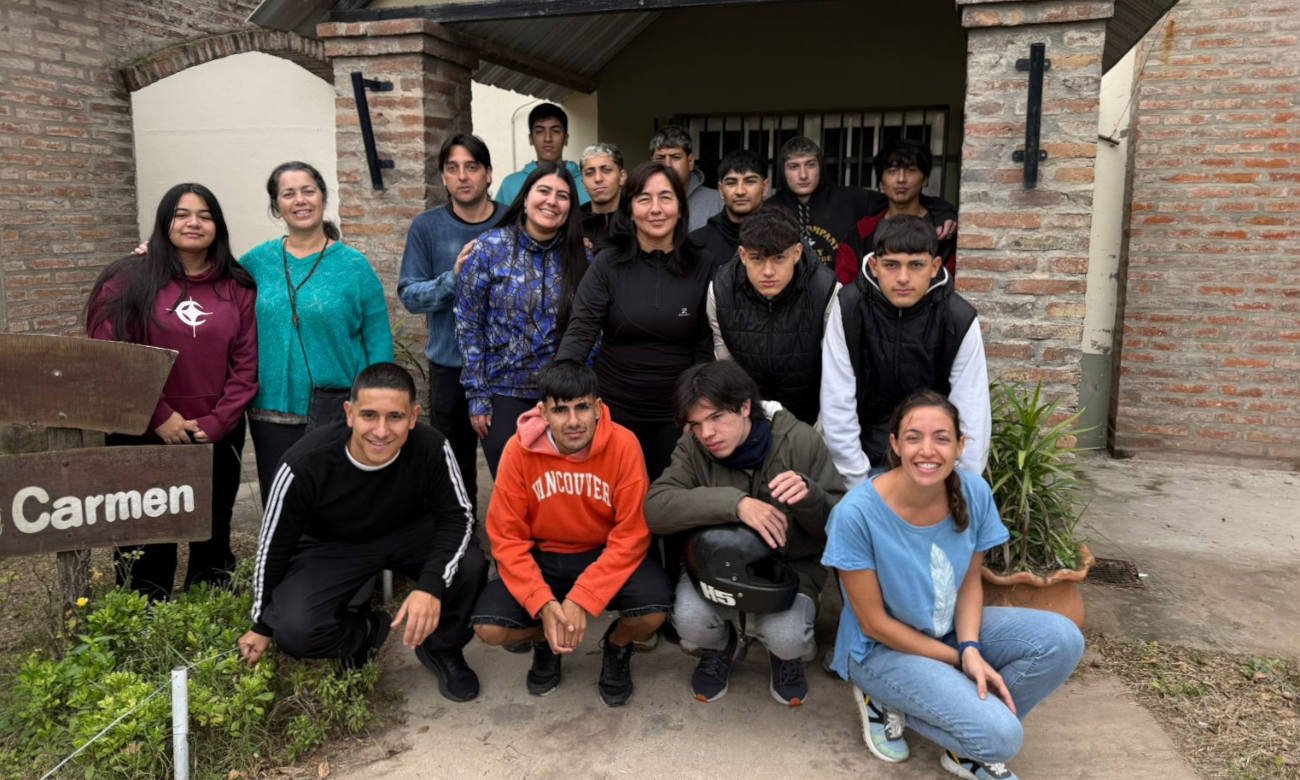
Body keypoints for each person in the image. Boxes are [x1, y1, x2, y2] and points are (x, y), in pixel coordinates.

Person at [822, 390, 1084, 780]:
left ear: (960, 445)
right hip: (880, 650)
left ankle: (966, 744)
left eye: (941, 438)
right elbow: (874, 623)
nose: (927, 450)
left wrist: (971, 647)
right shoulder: (856, 515)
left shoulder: (973, 491)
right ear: (895, 444)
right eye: (914, 437)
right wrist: (960, 660)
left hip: (947, 630)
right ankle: (886, 700)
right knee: (1002, 738)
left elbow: (968, 584)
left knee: (1063, 639)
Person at [239, 363, 488, 702]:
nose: (382, 431)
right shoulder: (304, 463)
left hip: (409, 533)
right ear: (350, 413)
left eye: (395, 417)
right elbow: (274, 545)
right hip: (336, 544)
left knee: (470, 565)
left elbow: (458, 517)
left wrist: (430, 586)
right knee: (294, 629)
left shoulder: (432, 446)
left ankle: (442, 647)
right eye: (369, 415)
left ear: (413, 417)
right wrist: (262, 623)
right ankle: (366, 632)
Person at [86, 182, 257, 599]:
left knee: (211, 526)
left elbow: (246, 365)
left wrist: (217, 423)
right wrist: (158, 416)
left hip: (213, 433)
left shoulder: (237, 285)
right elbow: (108, 356)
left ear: (218, 225)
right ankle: (144, 613)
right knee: (145, 536)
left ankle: (206, 603)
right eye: (182, 214)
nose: (193, 223)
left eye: (205, 215)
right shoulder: (127, 279)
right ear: (165, 222)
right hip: (140, 431)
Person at [470, 360, 672, 707]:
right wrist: (544, 604)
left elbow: (632, 534)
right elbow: (506, 537)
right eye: (561, 410)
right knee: (490, 629)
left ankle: (617, 646)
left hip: (603, 552)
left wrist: (582, 598)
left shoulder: (623, 445)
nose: (574, 421)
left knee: (653, 614)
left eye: (582, 407)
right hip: (543, 555)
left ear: (598, 407)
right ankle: (546, 639)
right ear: (543, 413)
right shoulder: (518, 451)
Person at [644, 360, 844, 706]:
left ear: (745, 407)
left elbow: (840, 529)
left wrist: (810, 497)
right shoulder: (692, 447)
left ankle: (784, 656)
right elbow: (656, 508)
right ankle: (721, 646)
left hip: (789, 570)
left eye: (716, 417)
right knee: (689, 622)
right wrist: (735, 504)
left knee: (788, 637)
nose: (707, 434)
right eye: (696, 424)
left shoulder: (800, 441)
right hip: (715, 568)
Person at [240, 161, 393, 503]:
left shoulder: (354, 266)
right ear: (276, 206)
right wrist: (153, 255)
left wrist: (374, 401)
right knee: (282, 501)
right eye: (288, 194)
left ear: (323, 198)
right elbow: (205, 281)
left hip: (337, 406)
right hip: (272, 408)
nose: (300, 200)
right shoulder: (255, 263)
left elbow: (378, 339)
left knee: (338, 499)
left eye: (308, 191)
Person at [555, 160, 716, 482]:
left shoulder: (703, 264)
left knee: (670, 507)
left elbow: (706, 344)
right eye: (644, 199)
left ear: (681, 209)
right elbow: (582, 328)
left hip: (678, 414)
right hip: (617, 411)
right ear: (629, 210)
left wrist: (698, 409)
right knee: (620, 505)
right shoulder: (607, 264)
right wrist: (558, 391)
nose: (655, 209)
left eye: (666, 198)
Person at [821, 214, 990, 490]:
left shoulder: (958, 318)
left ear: (935, 266)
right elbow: (837, 401)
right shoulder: (850, 307)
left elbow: (971, 412)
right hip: (865, 460)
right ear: (874, 266)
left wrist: (957, 487)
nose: (903, 278)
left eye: (916, 265)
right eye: (891, 265)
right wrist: (857, 484)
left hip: (933, 463)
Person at [455, 161, 591, 477]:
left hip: (563, 397)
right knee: (512, 491)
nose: (551, 201)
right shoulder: (490, 248)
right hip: (503, 394)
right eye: (543, 191)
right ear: (526, 197)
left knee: (558, 496)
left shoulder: (582, 257)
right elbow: (468, 323)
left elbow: (590, 328)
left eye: (562, 196)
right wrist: (477, 395)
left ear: (571, 207)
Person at [398, 133, 500, 514]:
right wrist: (454, 276)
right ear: (443, 177)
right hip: (449, 367)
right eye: (453, 168)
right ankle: (464, 547)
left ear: (488, 174)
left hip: (506, 370)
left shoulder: (512, 221)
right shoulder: (426, 227)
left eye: (472, 167)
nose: (463, 176)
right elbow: (409, 295)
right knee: (455, 467)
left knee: (511, 466)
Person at [707, 205, 838, 425]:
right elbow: (726, 368)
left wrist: (818, 437)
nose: (768, 271)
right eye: (757, 259)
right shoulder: (721, 291)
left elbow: (835, 376)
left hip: (811, 419)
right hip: (747, 420)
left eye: (778, 258)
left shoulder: (825, 290)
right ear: (743, 255)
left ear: (796, 253)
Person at [771, 136, 957, 269]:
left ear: (821, 167)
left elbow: (902, 198)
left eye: (810, 165)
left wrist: (944, 212)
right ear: (782, 170)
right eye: (794, 167)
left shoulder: (852, 200)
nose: (803, 175)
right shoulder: (770, 209)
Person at [836, 139, 958, 284]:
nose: (901, 179)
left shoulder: (943, 231)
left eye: (911, 170)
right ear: (881, 181)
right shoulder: (863, 232)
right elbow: (846, 287)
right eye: (892, 171)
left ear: (925, 179)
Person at [495, 102, 590, 209]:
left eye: (555, 131)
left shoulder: (587, 183)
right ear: (530, 139)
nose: (548, 138)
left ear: (566, 139)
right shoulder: (510, 185)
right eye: (539, 131)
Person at [689, 148, 768, 264]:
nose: (740, 191)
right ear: (721, 190)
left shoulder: (785, 239)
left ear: (765, 187)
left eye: (750, 181)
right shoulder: (697, 243)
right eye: (731, 183)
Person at [649, 124, 723, 232]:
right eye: (660, 158)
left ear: (690, 162)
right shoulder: (641, 202)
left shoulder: (718, 203)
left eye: (675, 157)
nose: (667, 164)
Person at [579, 142, 626, 247]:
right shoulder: (572, 224)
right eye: (590, 173)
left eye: (606, 170)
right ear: (583, 183)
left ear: (622, 177)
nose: (598, 179)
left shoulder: (638, 220)